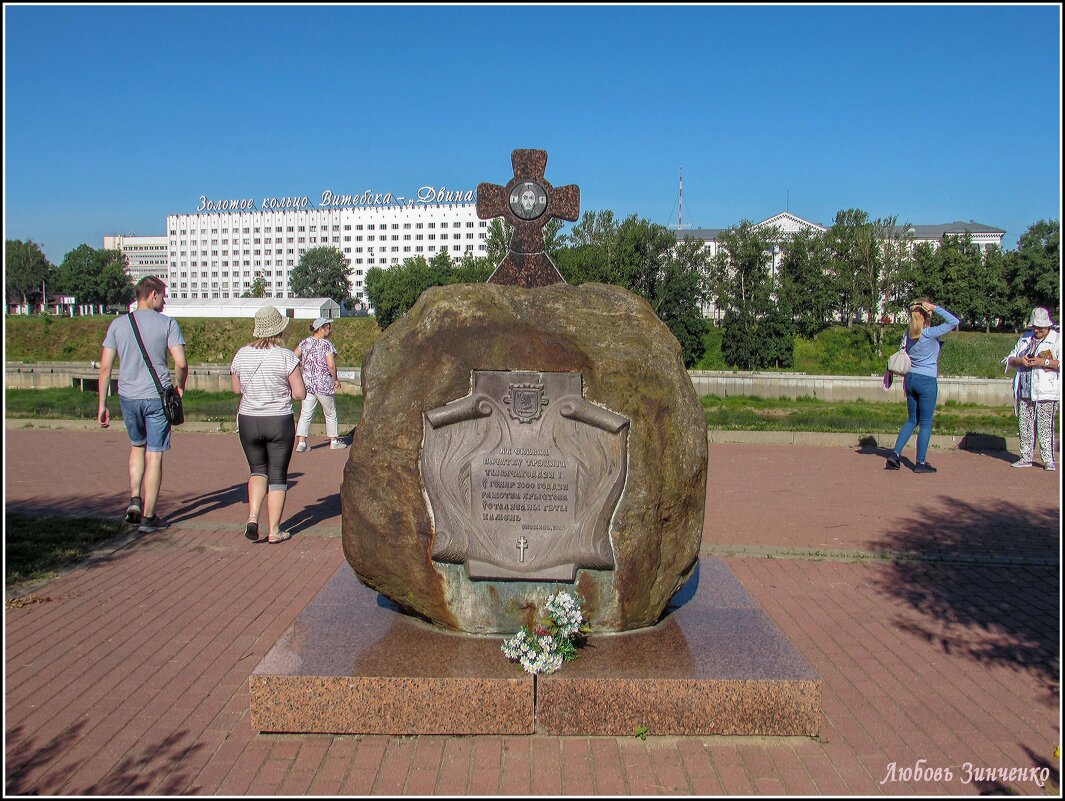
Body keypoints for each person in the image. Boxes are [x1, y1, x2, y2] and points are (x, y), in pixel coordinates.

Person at [97, 276, 187, 533]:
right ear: (153, 294)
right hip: (157, 396)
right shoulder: (167, 324)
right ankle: (149, 517)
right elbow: (180, 362)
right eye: (163, 295)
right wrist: (180, 386)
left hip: (127, 395)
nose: (164, 300)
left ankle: (135, 499)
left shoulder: (117, 325)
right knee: (154, 453)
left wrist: (103, 404)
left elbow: (105, 368)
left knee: (137, 446)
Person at [230, 306, 306, 543]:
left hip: (248, 420)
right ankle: (274, 530)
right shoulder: (286, 356)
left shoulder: (241, 354)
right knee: (277, 476)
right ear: (279, 329)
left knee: (257, 469)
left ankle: (253, 516)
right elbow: (300, 393)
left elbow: (236, 389)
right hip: (278, 421)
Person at [885, 299, 960, 473]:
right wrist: (935, 307)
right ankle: (920, 463)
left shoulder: (908, 334)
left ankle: (895, 454)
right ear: (926, 316)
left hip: (911, 379)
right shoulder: (929, 333)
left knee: (912, 419)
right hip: (927, 381)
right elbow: (954, 322)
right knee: (926, 422)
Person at [1003, 307, 1060, 470]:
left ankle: (1048, 459)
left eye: (1041, 327)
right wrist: (1021, 361)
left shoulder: (1057, 339)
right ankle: (1026, 456)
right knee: (1025, 424)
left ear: (1048, 326)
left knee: (1044, 426)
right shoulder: (1025, 339)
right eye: (1035, 327)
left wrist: (1044, 362)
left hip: (1046, 390)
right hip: (1025, 389)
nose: (1038, 330)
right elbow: (1009, 359)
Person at [294, 317, 345, 452]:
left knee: (305, 413)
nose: (330, 330)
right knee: (330, 412)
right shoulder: (326, 344)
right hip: (323, 384)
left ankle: (301, 443)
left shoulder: (304, 343)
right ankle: (334, 440)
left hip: (307, 384)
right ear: (321, 329)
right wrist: (335, 379)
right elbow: (331, 365)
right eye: (328, 327)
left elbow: (293, 357)